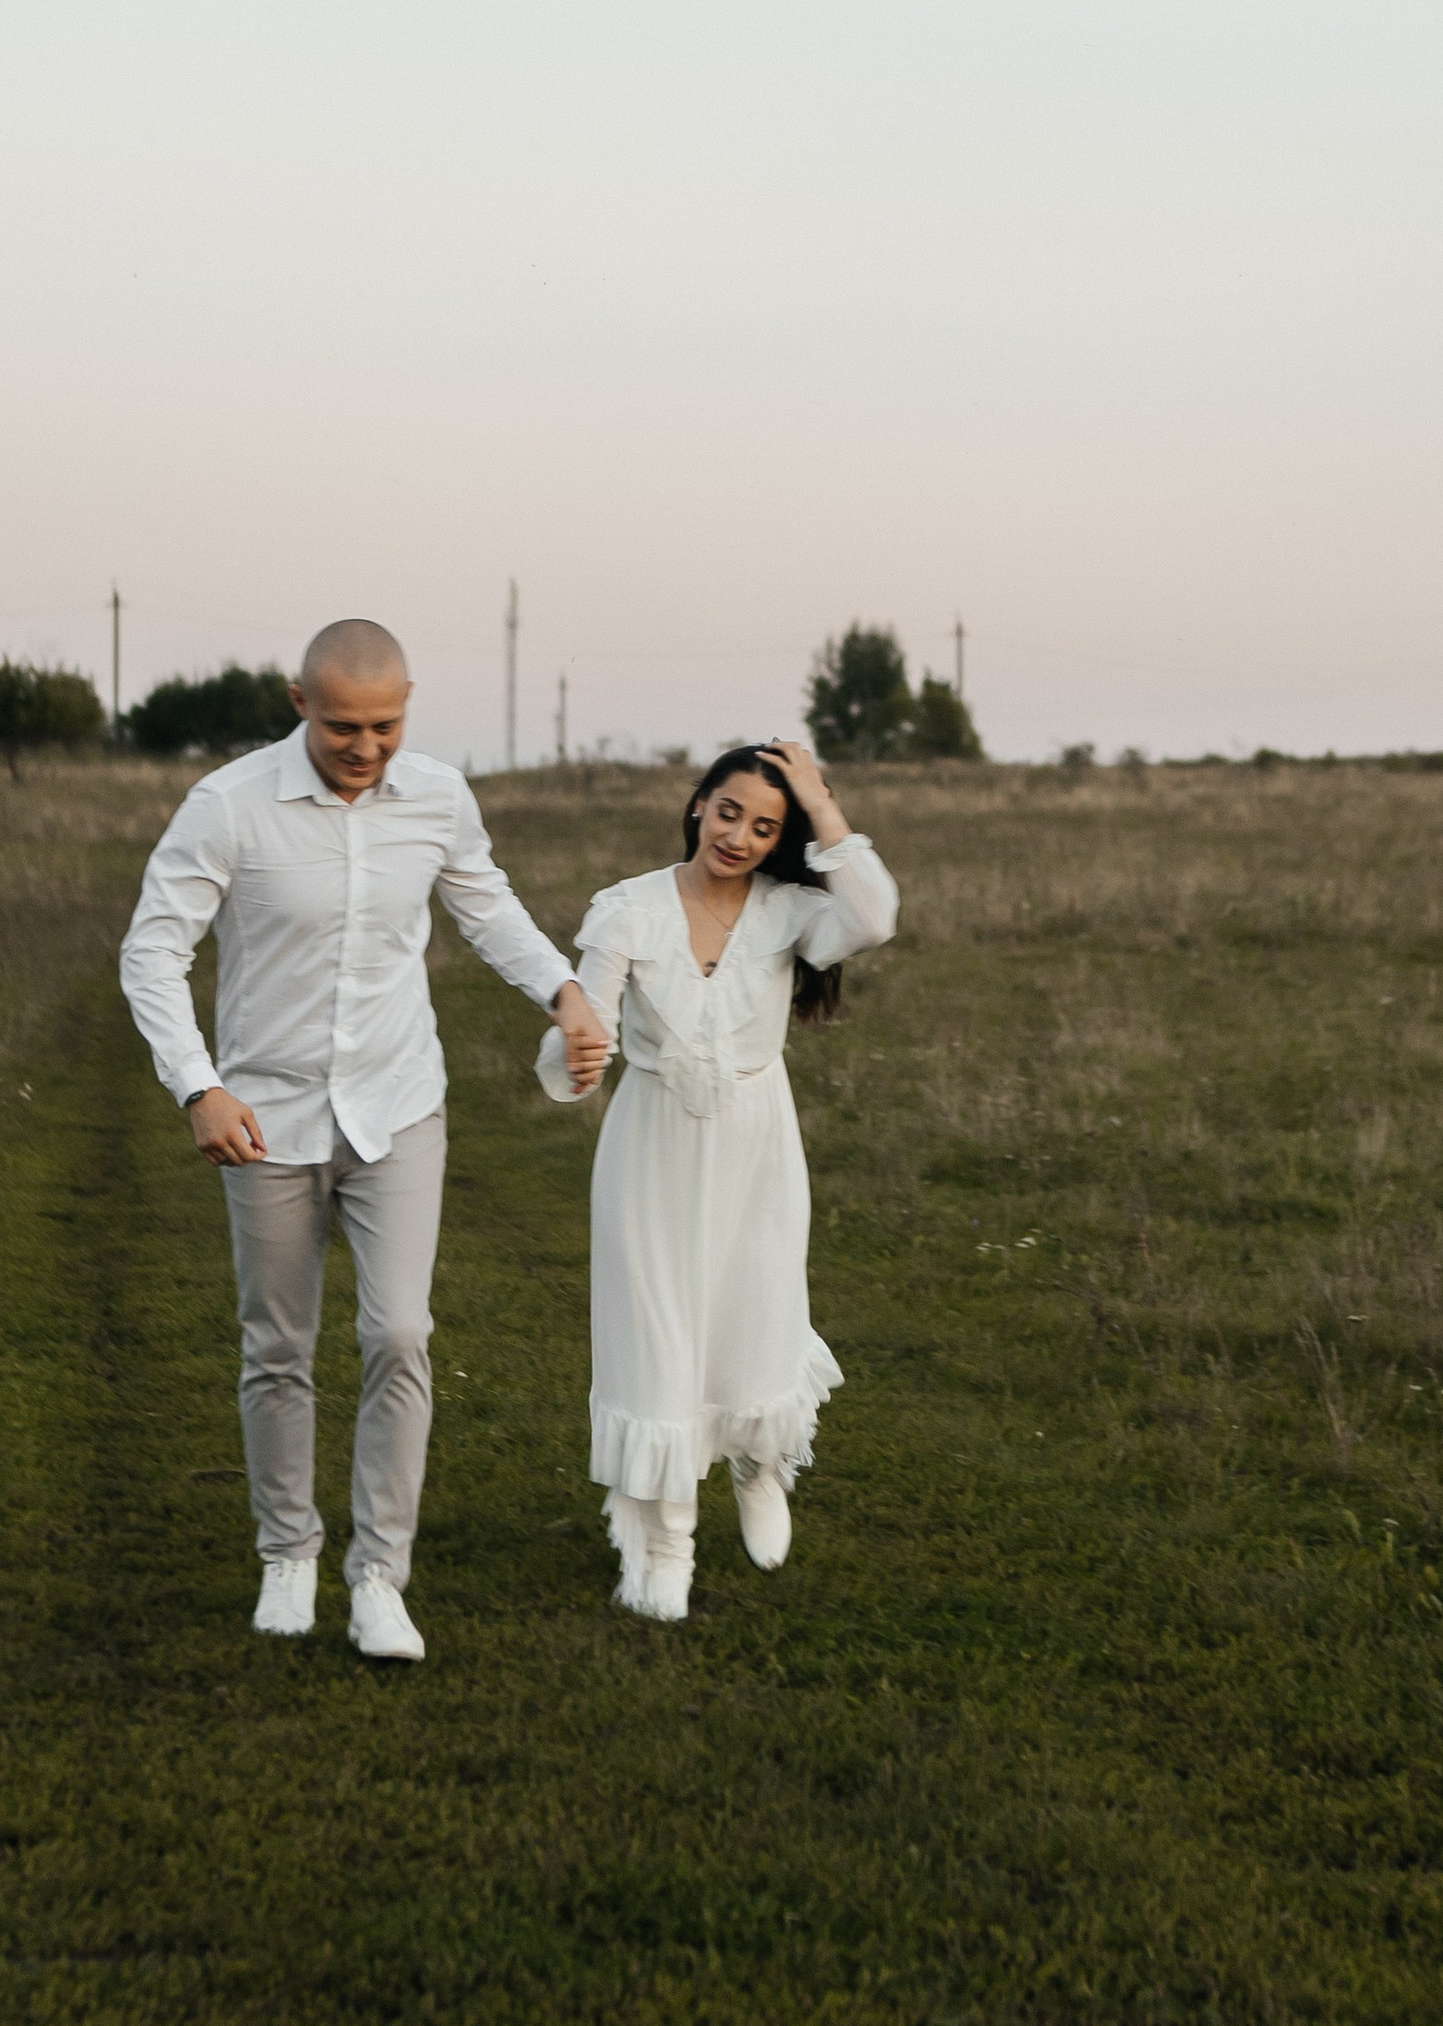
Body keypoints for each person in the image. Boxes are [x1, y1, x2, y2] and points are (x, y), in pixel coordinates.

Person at [119, 618, 610, 1662]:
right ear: (299, 701)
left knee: (399, 1334)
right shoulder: (228, 805)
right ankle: (287, 1552)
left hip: (398, 1105)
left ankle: (380, 1575)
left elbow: (488, 908)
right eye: (344, 725)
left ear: (407, 706)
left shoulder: (438, 797)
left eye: (385, 725)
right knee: (276, 1345)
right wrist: (199, 1086)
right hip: (266, 1118)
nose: (366, 746)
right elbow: (153, 952)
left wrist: (564, 991)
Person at [538, 738, 898, 1619]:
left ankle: (758, 1464)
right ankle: (667, 1542)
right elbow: (587, 1015)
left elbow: (875, 917)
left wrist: (819, 800)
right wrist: (576, 1051)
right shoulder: (627, 909)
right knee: (655, 1340)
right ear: (699, 804)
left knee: (755, 1313)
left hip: (756, 1146)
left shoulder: (791, 912)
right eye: (728, 812)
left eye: (764, 827)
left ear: (781, 839)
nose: (738, 837)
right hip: (651, 1150)